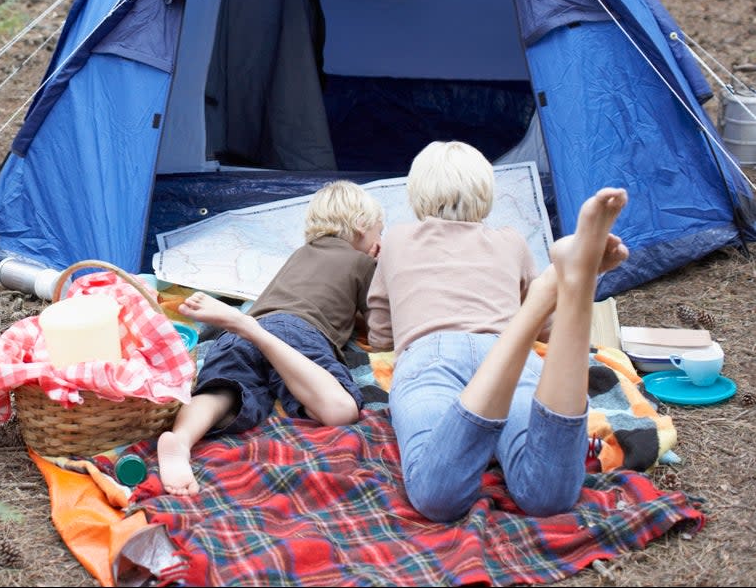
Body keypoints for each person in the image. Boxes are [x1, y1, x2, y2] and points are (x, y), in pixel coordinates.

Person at [366, 140, 629, 522]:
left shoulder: (396, 241)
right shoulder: (511, 240)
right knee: (548, 498)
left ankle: (554, 290)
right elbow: (550, 333)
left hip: (430, 356)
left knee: (436, 496)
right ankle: (565, 289)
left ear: (416, 193)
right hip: (508, 352)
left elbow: (379, 332)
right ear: (486, 193)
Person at [157, 180, 385, 496]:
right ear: (362, 227)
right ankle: (254, 332)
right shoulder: (362, 262)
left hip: (247, 328)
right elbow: (379, 327)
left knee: (224, 391)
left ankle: (180, 441)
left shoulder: (301, 254)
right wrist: (380, 267)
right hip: (298, 332)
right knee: (341, 411)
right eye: (379, 231)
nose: (379, 238)